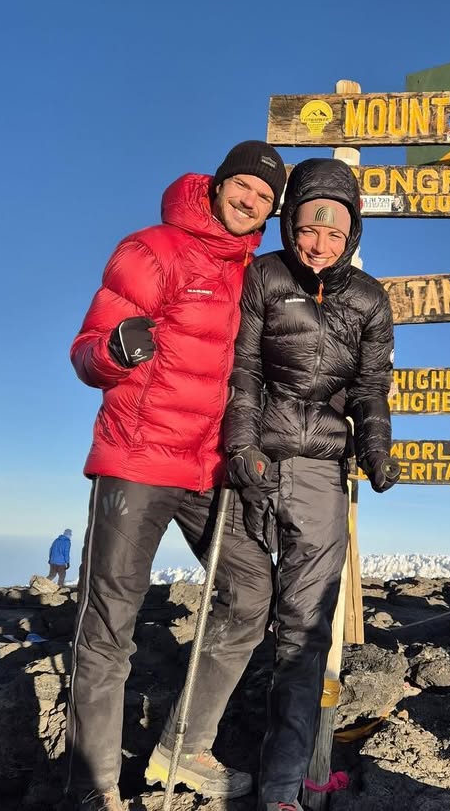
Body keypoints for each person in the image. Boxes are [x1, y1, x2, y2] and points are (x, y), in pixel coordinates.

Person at [144, 157, 398, 811]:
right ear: (292, 223)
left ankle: (282, 787)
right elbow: (244, 370)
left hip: (321, 476)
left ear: (353, 235)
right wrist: (241, 446)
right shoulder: (263, 277)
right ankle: (182, 745)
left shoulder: (370, 299)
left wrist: (375, 446)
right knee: (241, 608)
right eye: (310, 227)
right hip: (255, 466)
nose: (320, 243)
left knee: (306, 631)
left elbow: (370, 387)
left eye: (336, 233)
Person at [65, 140, 286, 811]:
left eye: (265, 197)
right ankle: (90, 785)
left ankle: (183, 746)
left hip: (211, 469)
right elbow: (85, 352)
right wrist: (114, 349)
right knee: (109, 624)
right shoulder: (152, 249)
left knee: (251, 592)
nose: (251, 200)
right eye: (243, 186)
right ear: (218, 185)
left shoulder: (253, 273)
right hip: (136, 461)